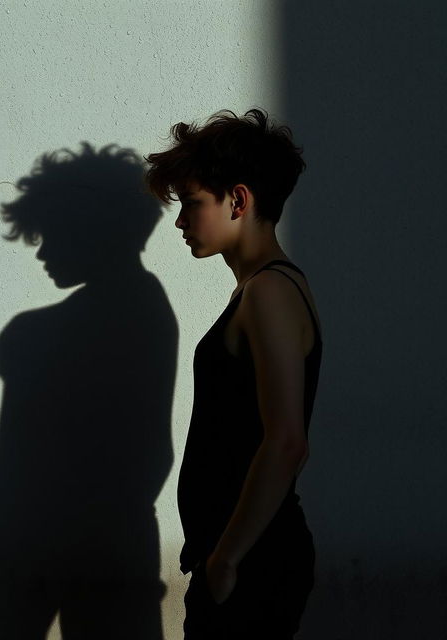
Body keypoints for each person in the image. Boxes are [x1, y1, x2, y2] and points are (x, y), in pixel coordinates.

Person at [144, 108, 322, 638]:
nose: (180, 221)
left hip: (253, 563)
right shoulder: (262, 289)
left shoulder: (269, 293)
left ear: (239, 200)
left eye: (192, 204)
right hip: (246, 556)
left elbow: (287, 442)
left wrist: (225, 558)